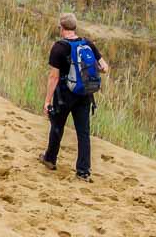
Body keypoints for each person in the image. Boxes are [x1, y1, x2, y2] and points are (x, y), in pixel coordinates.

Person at [40, 13, 109, 181]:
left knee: (57, 126)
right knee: (83, 133)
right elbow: (104, 68)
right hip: (85, 94)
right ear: (75, 27)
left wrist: (47, 100)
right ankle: (83, 171)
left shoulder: (59, 47)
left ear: (62, 28)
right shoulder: (88, 44)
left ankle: (50, 159)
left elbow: (54, 77)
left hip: (64, 94)